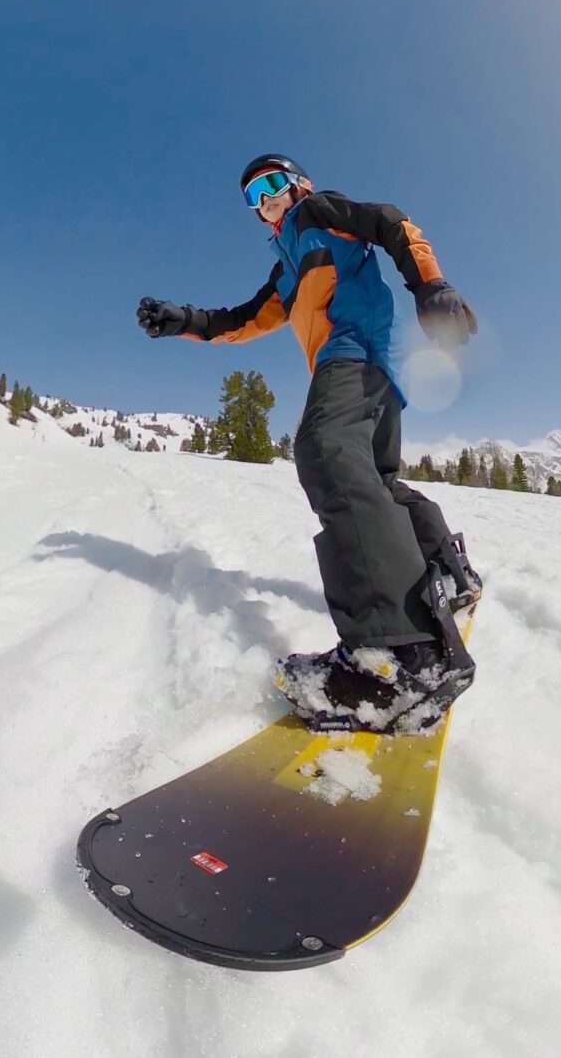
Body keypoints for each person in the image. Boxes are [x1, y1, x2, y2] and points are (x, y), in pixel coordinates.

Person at [137, 153, 481, 733]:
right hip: (371, 367)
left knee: (325, 452)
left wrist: (431, 286)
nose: (265, 200)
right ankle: (446, 567)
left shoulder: (319, 214)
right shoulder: (286, 267)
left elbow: (392, 223)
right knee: (374, 480)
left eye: (272, 184)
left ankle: (393, 660)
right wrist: (184, 320)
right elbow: (241, 320)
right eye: (254, 198)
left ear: (299, 184)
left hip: (355, 350)